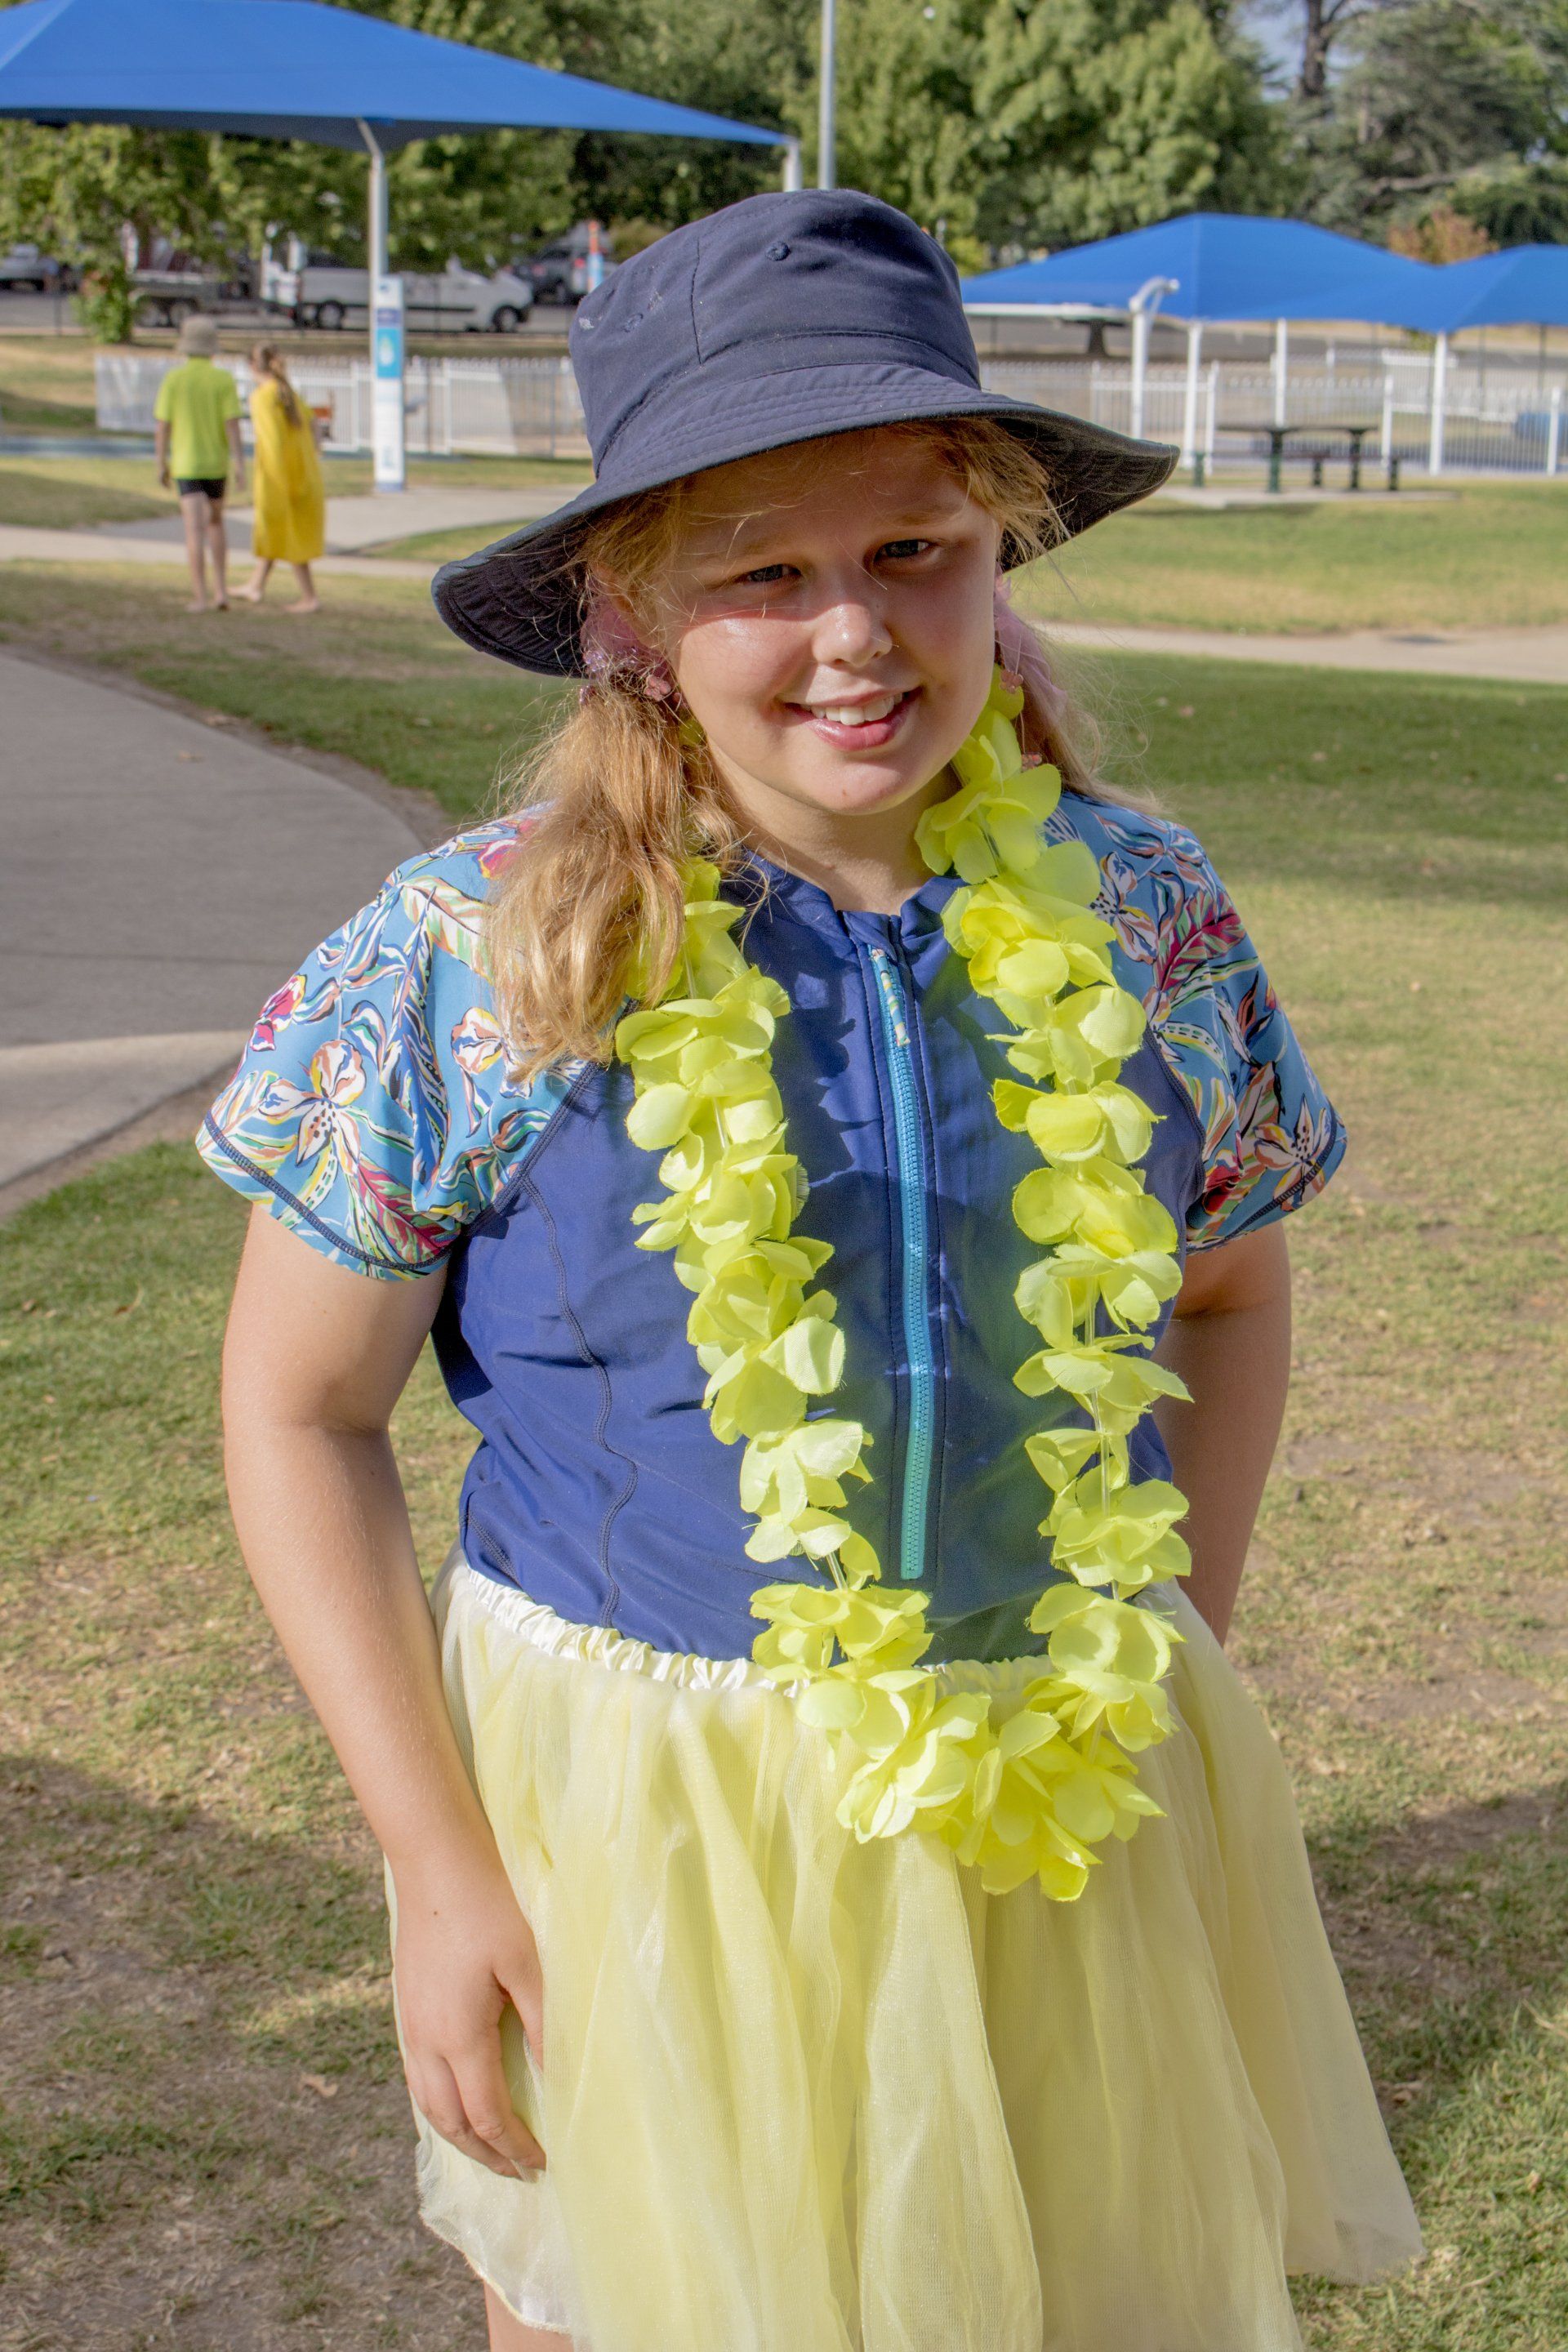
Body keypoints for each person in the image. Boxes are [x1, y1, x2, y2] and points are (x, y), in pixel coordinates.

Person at [200, 193, 1422, 2352]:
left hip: (1055, 1792)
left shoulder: (1143, 915)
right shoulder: (479, 955)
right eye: (764, 572)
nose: (855, 637)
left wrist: (1178, 1639)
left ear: (995, 552)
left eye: (912, 554)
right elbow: (298, 1410)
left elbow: (1227, 1296)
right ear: (629, 606)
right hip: (647, 1831)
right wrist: (434, 1866)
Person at [154, 314, 244, 613]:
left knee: (194, 531)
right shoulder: (223, 379)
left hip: (187, 464)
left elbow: (163, 425)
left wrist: (160, 462)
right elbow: (233, 425)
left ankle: (200, 597)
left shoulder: (175, 379)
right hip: (215, 464)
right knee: (216, 524)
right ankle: (221, 591)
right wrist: (240, 464)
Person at [239, 342, 326, 612]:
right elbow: (315, 427)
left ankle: (309, 597)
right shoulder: (288, 393)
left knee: (288, 535)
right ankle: (255, 585)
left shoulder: (263, 397)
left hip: (280, 480)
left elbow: (273, 442)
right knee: (275, 533)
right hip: (304, 476)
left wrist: (278, 481)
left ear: (253, 367)